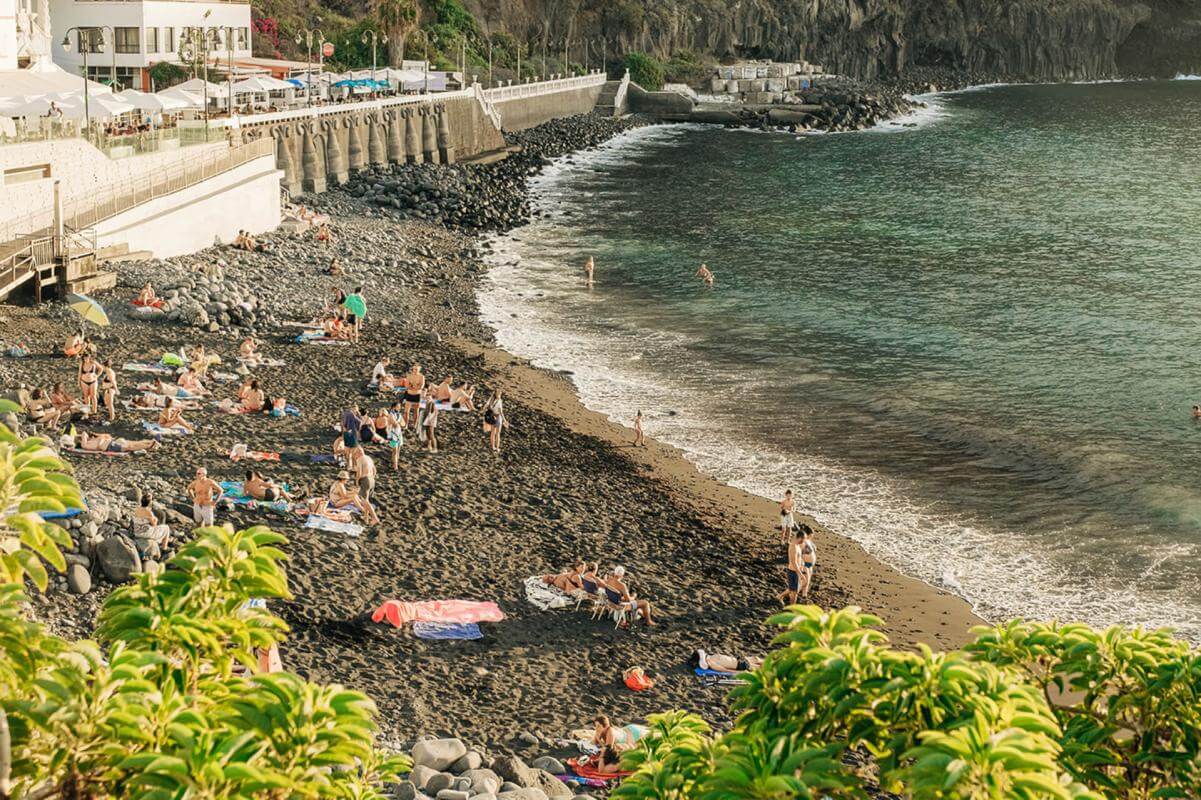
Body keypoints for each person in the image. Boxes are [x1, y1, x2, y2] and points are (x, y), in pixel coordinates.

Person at [350, 446, 381, 523]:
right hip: (371, 480)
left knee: (364, 500)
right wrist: (372, 478)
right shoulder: (369, 458)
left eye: (355, 454)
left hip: (365, 480)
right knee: (367, 500)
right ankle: (366, 517)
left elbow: (359, 472)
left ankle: (374, 518)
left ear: (358, 453)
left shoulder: (360, 459)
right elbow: (374, 470)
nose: (355, 456)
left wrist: (357, 482)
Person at [74, 431, 158, 453]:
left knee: (133, 444)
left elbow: (85, 434)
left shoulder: (92, 440)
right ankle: (150, 445)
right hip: (110, 445)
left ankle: (150, 442)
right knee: (131, 446)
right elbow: (84, 433)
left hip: (112, 442)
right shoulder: (85, 445)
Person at [690, 649, 763, 674]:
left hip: (738, 659)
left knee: (756, 658)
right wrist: (738, 672)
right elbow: (724, 670)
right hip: (740, 665)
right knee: (760, 667)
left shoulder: (710, 657)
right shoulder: (711, 663)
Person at [797, 525, 817, 599]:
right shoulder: (802, 542)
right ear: (808, 534)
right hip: (804, 564)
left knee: (807, 582)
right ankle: (792, 592)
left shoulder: (809, 541)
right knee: (805, 581)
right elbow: (799, 553)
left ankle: (804, 595)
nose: (813, 535)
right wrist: (801, 564)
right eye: (812, 534)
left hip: (810, 564)